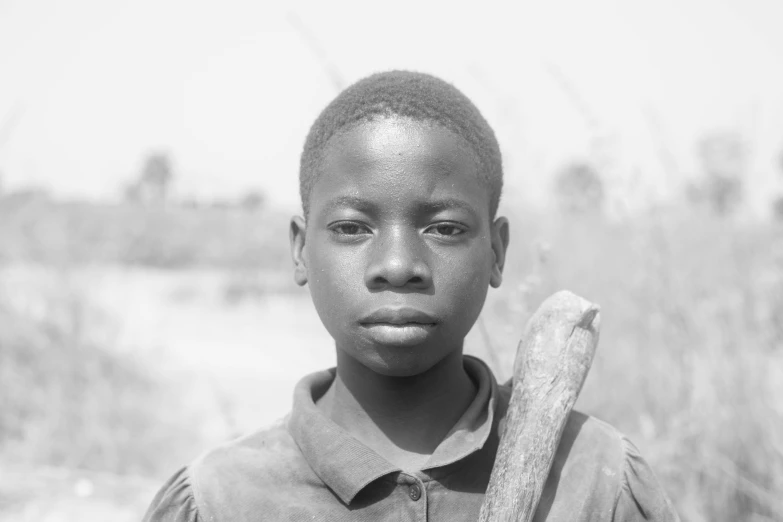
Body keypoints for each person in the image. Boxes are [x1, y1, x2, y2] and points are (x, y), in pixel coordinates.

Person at [143, 70, 679, 521]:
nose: (398, 266)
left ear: (496, 251)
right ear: (301, 251)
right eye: (353, 228)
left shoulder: (595, 479)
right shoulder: (222, 500)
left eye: (443, 229)